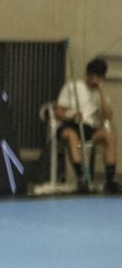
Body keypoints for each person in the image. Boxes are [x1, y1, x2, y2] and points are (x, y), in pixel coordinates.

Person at [55, 57, 118, 193]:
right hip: (70, 125)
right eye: (93, 75)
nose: (94, 79)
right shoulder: (72, 87)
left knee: (109, 137)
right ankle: (81, 177)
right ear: (88, 74)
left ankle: (110, 178)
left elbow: (107, 116)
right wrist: (71, 115)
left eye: (99, 76)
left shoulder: (100, 94)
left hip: (89, 128)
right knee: (72, 137)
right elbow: (58, 112)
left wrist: (100, 92)